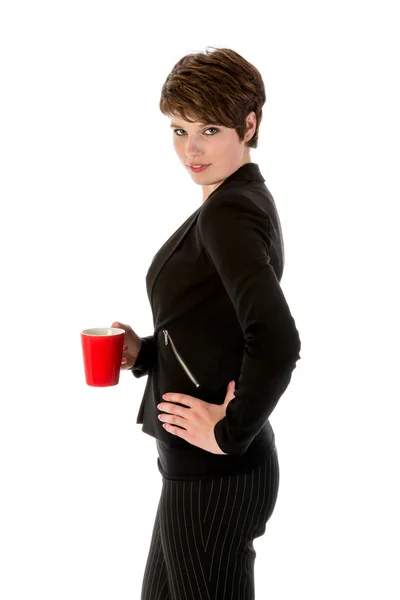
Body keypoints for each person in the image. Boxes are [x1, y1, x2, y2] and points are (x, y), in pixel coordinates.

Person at [112, 46, 301, 599]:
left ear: (249, 124)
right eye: (177, 128)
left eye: (209, 129)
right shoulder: (232, 202)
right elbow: (217, 324)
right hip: (196, 473)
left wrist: (228, 431)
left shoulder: (230, 213)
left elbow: (276, 337)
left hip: (215, 478)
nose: (190, 149)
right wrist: (144, 353)